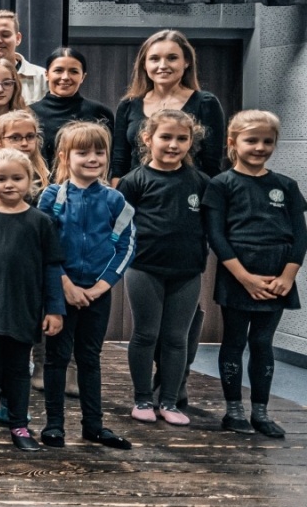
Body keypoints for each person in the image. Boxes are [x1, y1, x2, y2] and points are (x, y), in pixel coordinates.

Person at [203, 110, 306, 439]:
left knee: (263, 343)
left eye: (267, 141)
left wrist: (288, 276)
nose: (260, 147)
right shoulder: (221, 185)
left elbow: (300, 236)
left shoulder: (286, 186)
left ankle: (260, 411)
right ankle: (233, 411)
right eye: (251, 140)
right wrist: (244, 277)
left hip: (277, 277)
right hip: (237, 273)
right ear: (233, 143)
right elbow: (216, 236)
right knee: (234, 341)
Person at [38, 121, 136, 450]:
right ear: (66, 157)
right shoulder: (52, 196)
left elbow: (125, 246)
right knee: (56, 358)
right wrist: (64, 285)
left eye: (99, 151)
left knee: (89, 358)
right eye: (83, 152)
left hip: (96, 294)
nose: (92, 158)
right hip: (59, 292)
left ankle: (93, 425)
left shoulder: (115, 200)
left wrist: (99, 288)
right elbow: (44, 247)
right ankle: (54, 425)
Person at [0, 148, 65, 451]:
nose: (9, 184)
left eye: (17, 178)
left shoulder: (40, 222)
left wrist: (55, 310)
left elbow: (52, 268)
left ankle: (19, 425)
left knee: (20, 368)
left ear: (30, 180)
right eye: (1, 178)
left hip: (25, 308)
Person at [117, 110, 208, 427]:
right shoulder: (134, 182)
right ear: (147, 138)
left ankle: (169, 401)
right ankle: (142, 398)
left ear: (190, 142)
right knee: (146, 334)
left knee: (176, 338)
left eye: (181, 138)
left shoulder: (200, 181)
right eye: (165, 137)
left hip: (186, 273)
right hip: (144, 269)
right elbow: (118, 228)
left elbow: (212, 227)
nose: (173, 144)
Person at [111, 30, 227, 181]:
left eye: (172, 58)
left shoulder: (206, 103)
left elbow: (212, 166)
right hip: (137, 194)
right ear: (144, 65)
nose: (163, 65)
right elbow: (119, 164)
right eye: (154, 59)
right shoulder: (128, 105)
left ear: (186, 62)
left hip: (188, 193)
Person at [29, 47, 113, 166]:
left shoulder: (100, 112)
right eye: (58, 70)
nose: (65, 77)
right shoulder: (29, 114)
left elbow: (111, 158)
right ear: (47, 74)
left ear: (83, 77)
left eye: (74, 71)